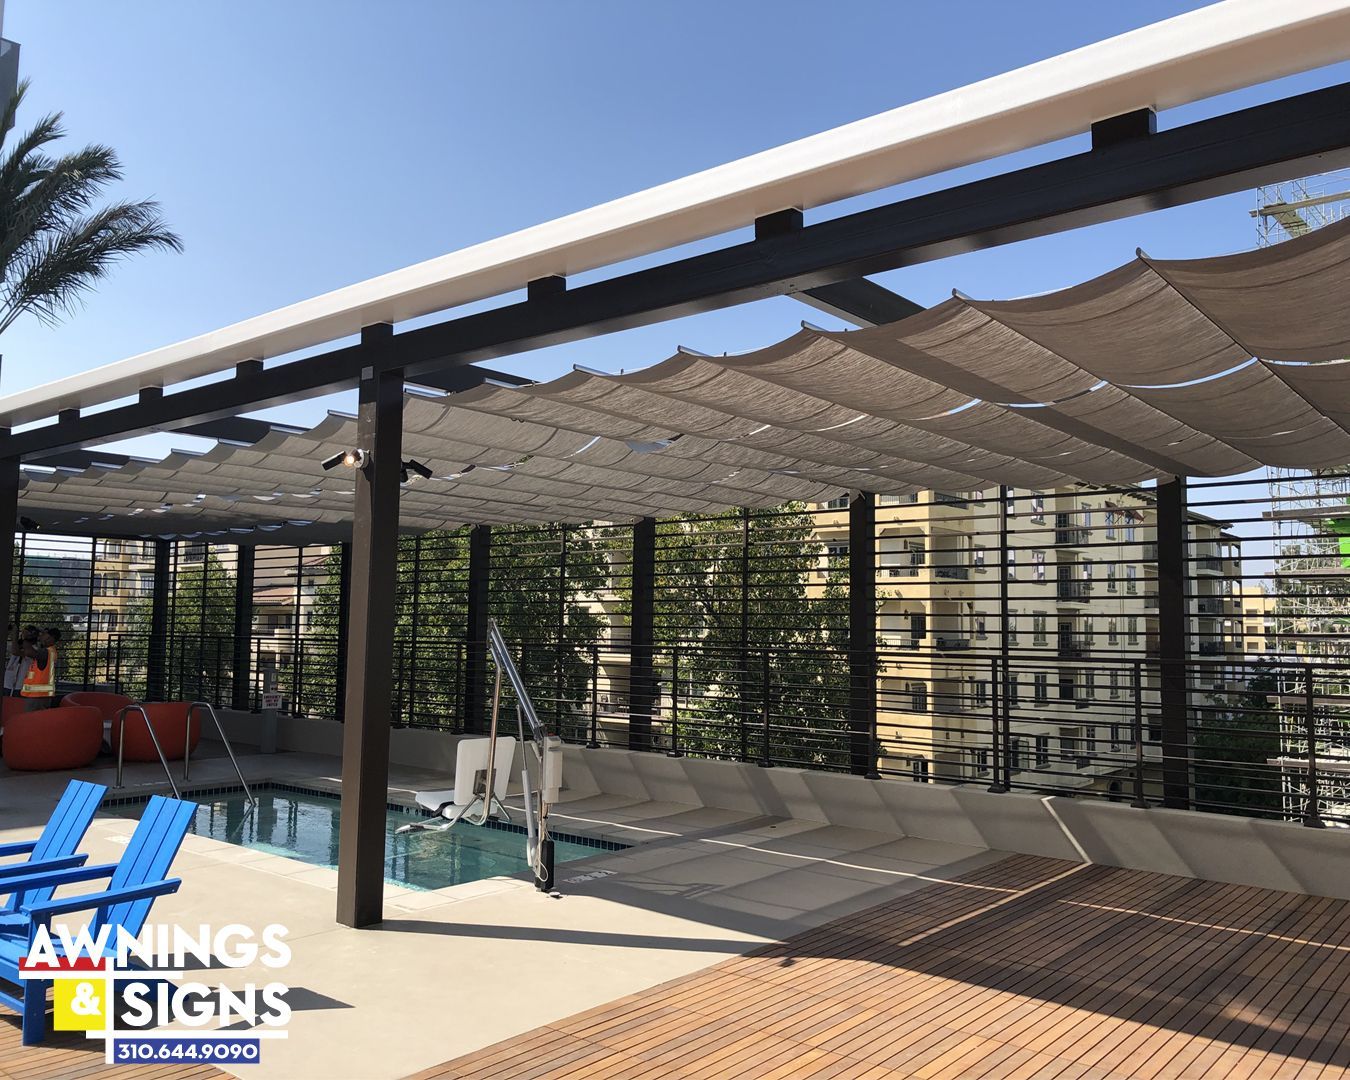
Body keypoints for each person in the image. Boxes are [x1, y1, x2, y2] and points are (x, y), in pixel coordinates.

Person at [19, 626, 59, 711]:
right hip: (42, 696)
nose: (41, 636)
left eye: (44, 634)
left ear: (50, 638)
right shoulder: (51, 651)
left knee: (30, 720)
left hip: (37, 697)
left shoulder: (46, 652)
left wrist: (26, 638)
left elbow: (28, 652)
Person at [4, 626, 30, 697]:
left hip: (18, 687)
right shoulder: (15, 647)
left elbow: (15, 651)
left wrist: (15, 634)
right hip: (8, 684)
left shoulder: (31, 650)